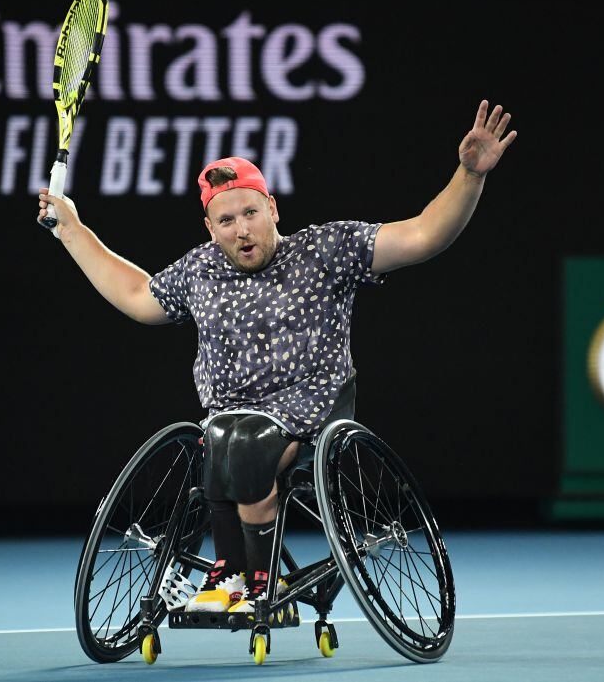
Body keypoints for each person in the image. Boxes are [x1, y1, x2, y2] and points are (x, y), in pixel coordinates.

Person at [37, 100, 516, 612]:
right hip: (227, 423)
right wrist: (71, 228)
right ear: (210, 227)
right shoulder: (199, 270)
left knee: (238, 441)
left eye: (250, 212)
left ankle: (250, 578)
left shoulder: (325, 250)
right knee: (223, 435)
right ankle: (229, 572)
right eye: (226, 220)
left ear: (273, 209)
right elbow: (137, 296)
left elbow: (425, 234)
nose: (242, 229)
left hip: (311, 413)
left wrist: (469, 175)